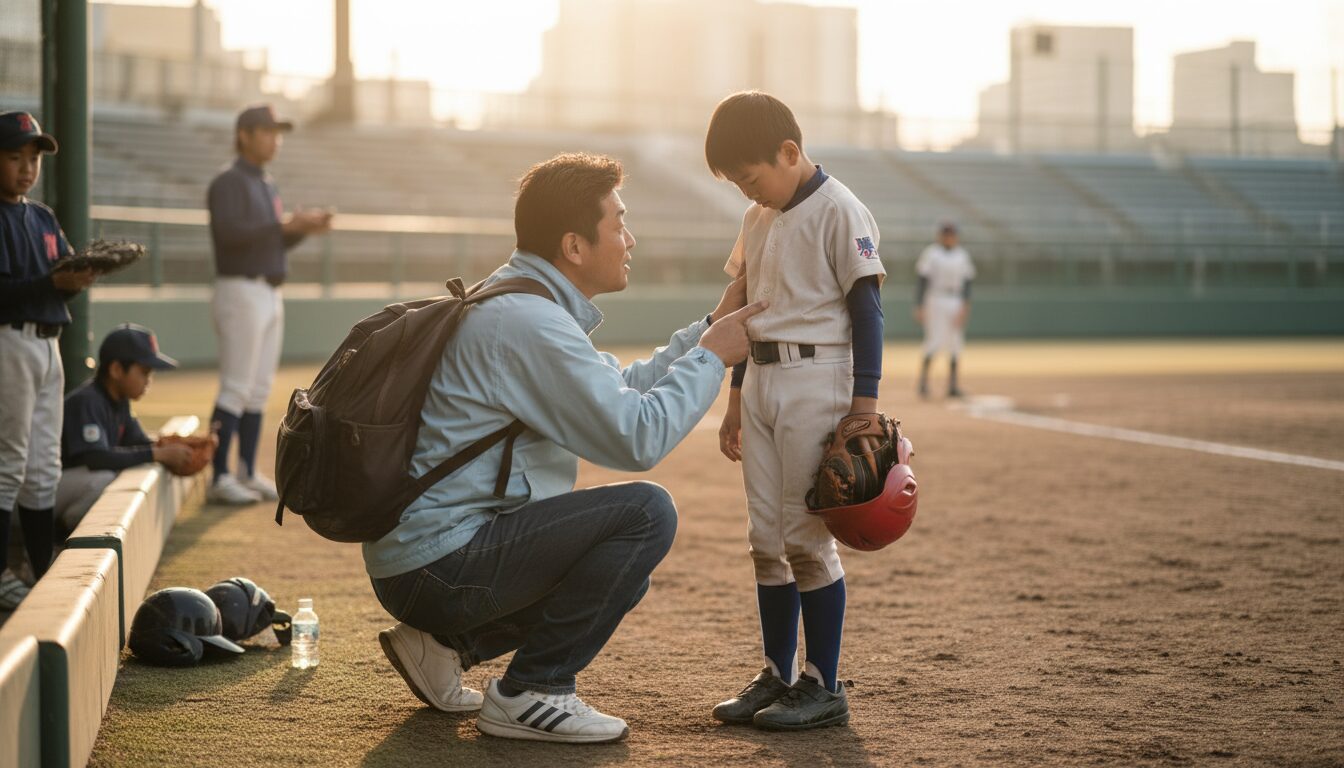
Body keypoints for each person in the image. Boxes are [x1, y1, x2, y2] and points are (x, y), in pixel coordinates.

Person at [367, 152, 763, 744]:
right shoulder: (528, 321)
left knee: (620, 566)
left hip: (426, 558)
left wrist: (708, 328)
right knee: (644, 515)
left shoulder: (520, 302)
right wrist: (711, 358)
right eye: (619, 223)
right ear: (574, 246)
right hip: (438, 568)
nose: (630, 239)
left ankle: (445, 646)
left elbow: (619, 388)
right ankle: (533, 691)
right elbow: (637, 436)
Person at [707, 91, 886, 730]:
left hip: (819, 377)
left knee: (806, 540)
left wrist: (864, 409)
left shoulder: (840, 208)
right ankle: (778, 674)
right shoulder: (757, 217)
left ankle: (823, 683)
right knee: (765, 540)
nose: (747, 191)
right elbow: (745, 311)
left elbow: (868, 311)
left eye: (751, 177)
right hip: (760, 378)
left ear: (789, 152)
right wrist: (734, 400)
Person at [206, 104, 331, 505]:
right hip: (240, 288)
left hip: (268, 291)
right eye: (267, 131)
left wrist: (301, 229)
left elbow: (272, 240)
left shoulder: (265, 182)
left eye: (278, 132)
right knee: (236, 387)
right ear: (244, 135)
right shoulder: (228, 181)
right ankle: (219, 476)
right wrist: (283, 225)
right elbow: (230, 235)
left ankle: (245, 470)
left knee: (258, 389)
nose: (275, 139)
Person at [0, 110, 98, 611]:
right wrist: (53, 283)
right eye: (15, 156)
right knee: (9, 461)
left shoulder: (41, 217)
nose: (27, 167)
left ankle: (40, 570)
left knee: (43, 466)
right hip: (9, 342)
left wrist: (81, 275)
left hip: (47, 344)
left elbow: (62, 272)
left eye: (34, 158)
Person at [55, 323, 193, 536]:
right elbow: (95, 458)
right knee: (105, 479)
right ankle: (59, 538)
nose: (148, 381)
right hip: (31, 495)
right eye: (144, 372)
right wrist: (158, 453)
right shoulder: (88, 401)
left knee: (121, 469)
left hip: (64, 488)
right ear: (117, 370)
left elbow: (138, 442)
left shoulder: (119, 401)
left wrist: (178, 447)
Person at [914, 222, 975, 398]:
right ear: (940, 236)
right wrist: (919, 305)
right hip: (935, 298)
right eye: (946, 234)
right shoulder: (932, 253)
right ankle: (923, 383)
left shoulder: (962, 255)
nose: (949, 237)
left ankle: (953, 386)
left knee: (955, 342)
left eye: (952, 234)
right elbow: (922, 280)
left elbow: (967, 282)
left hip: (955, 299)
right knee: (934, 339)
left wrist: (965, 305)